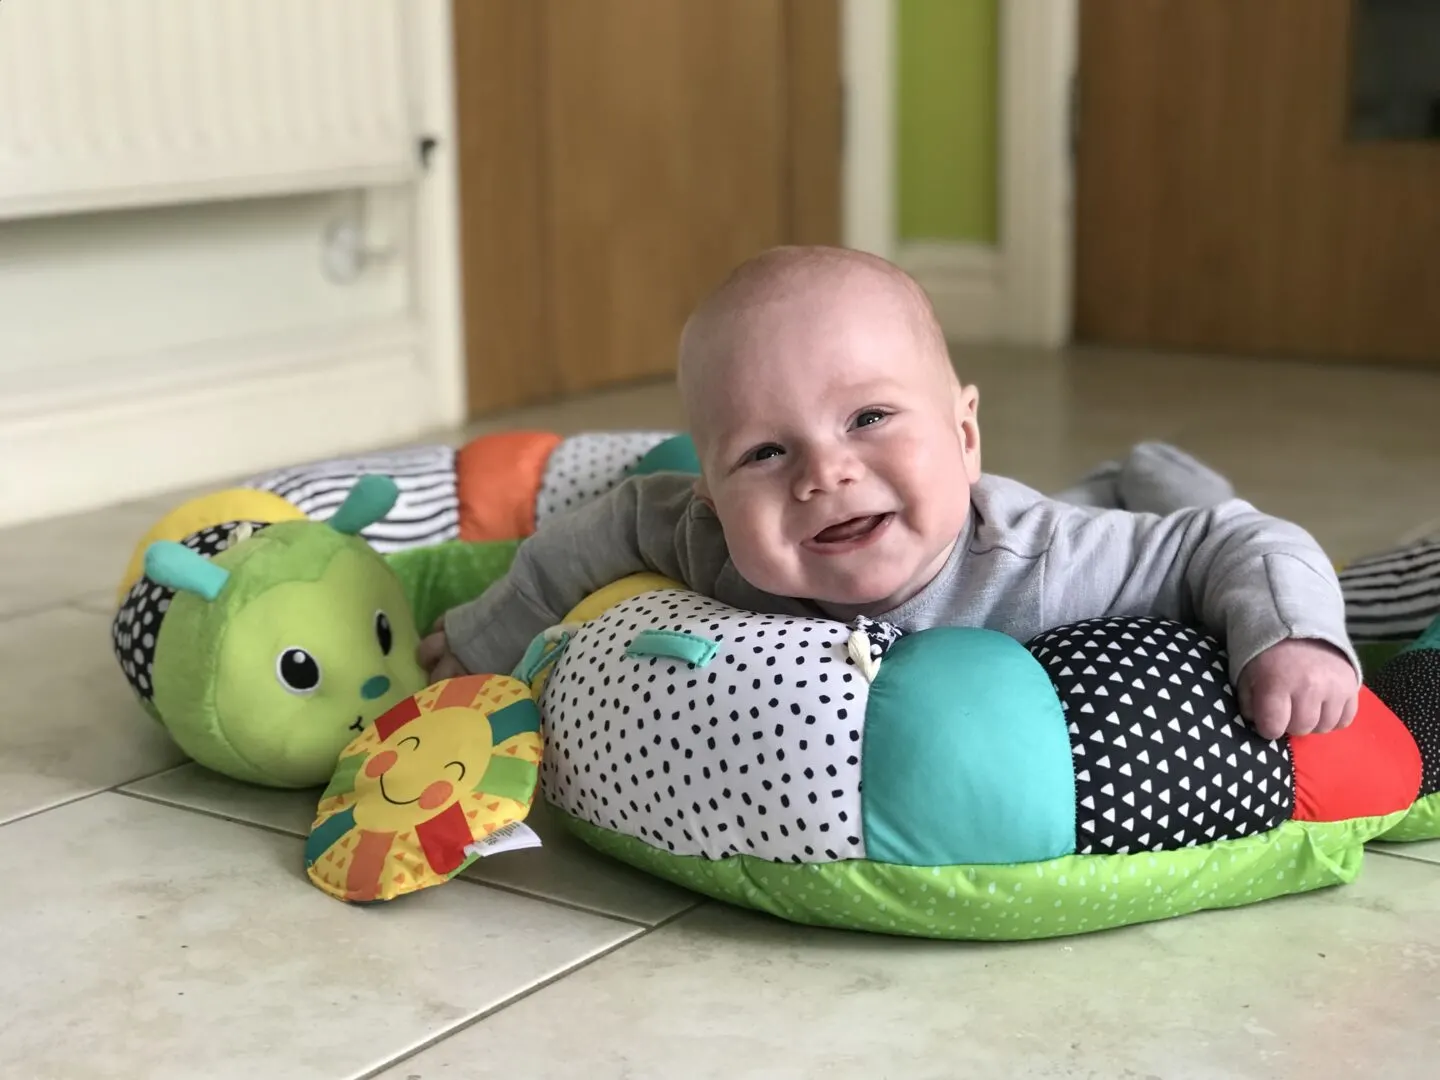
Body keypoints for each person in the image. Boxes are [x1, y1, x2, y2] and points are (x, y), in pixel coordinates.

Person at [419, 246, 1359, 740]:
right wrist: (475, 645)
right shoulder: (701, 538)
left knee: (1137, 501)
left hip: (1073, 518)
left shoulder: (1054, 565)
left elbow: (1233, 541)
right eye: (762, 453)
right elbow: (595, 535)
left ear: (963, 431)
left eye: (868, 418)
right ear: (707, 495)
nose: (823, 474)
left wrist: (1296, 641)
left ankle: (1147, 465)